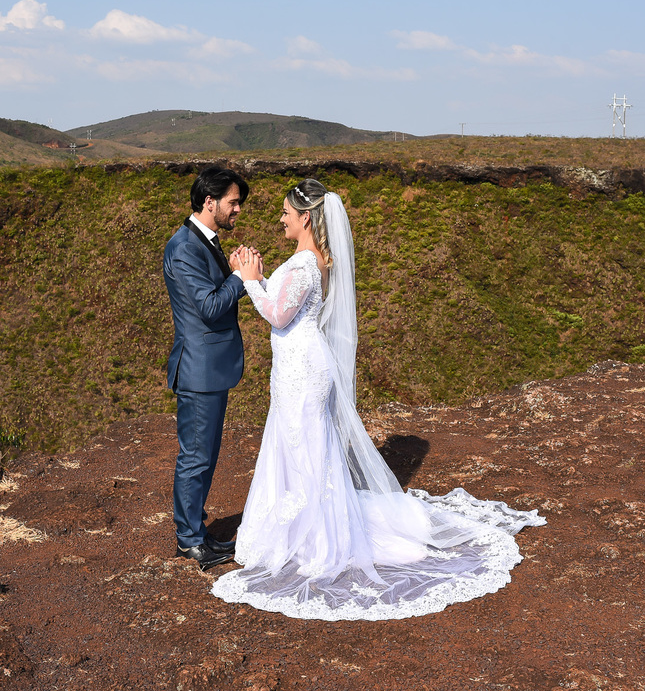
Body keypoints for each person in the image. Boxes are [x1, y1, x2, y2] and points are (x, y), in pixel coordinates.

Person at [210, 179, 546, 620]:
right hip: (300, 366)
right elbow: (287, 304)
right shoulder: (313, 262)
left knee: (304, 446)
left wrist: (250, 280)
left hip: (302, 371)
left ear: (306, 218)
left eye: (287, 212)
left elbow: (277, 313)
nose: (281, 218)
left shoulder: (304, 264)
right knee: (302, 445)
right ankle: (306, 526)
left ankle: (315, 537)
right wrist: (257, 275)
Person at [163, 166, 254, 571]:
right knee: (196, 457)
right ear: (209, 201)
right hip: (199, 369)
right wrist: (239, 276)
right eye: (234, 203)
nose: (238, 211)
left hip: (209, 367)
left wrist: (232, 272)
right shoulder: (184, 247)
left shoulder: (204, 241)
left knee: (205, 455)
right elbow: (210, 307)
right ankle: (189, 542)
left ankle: (198, 533)